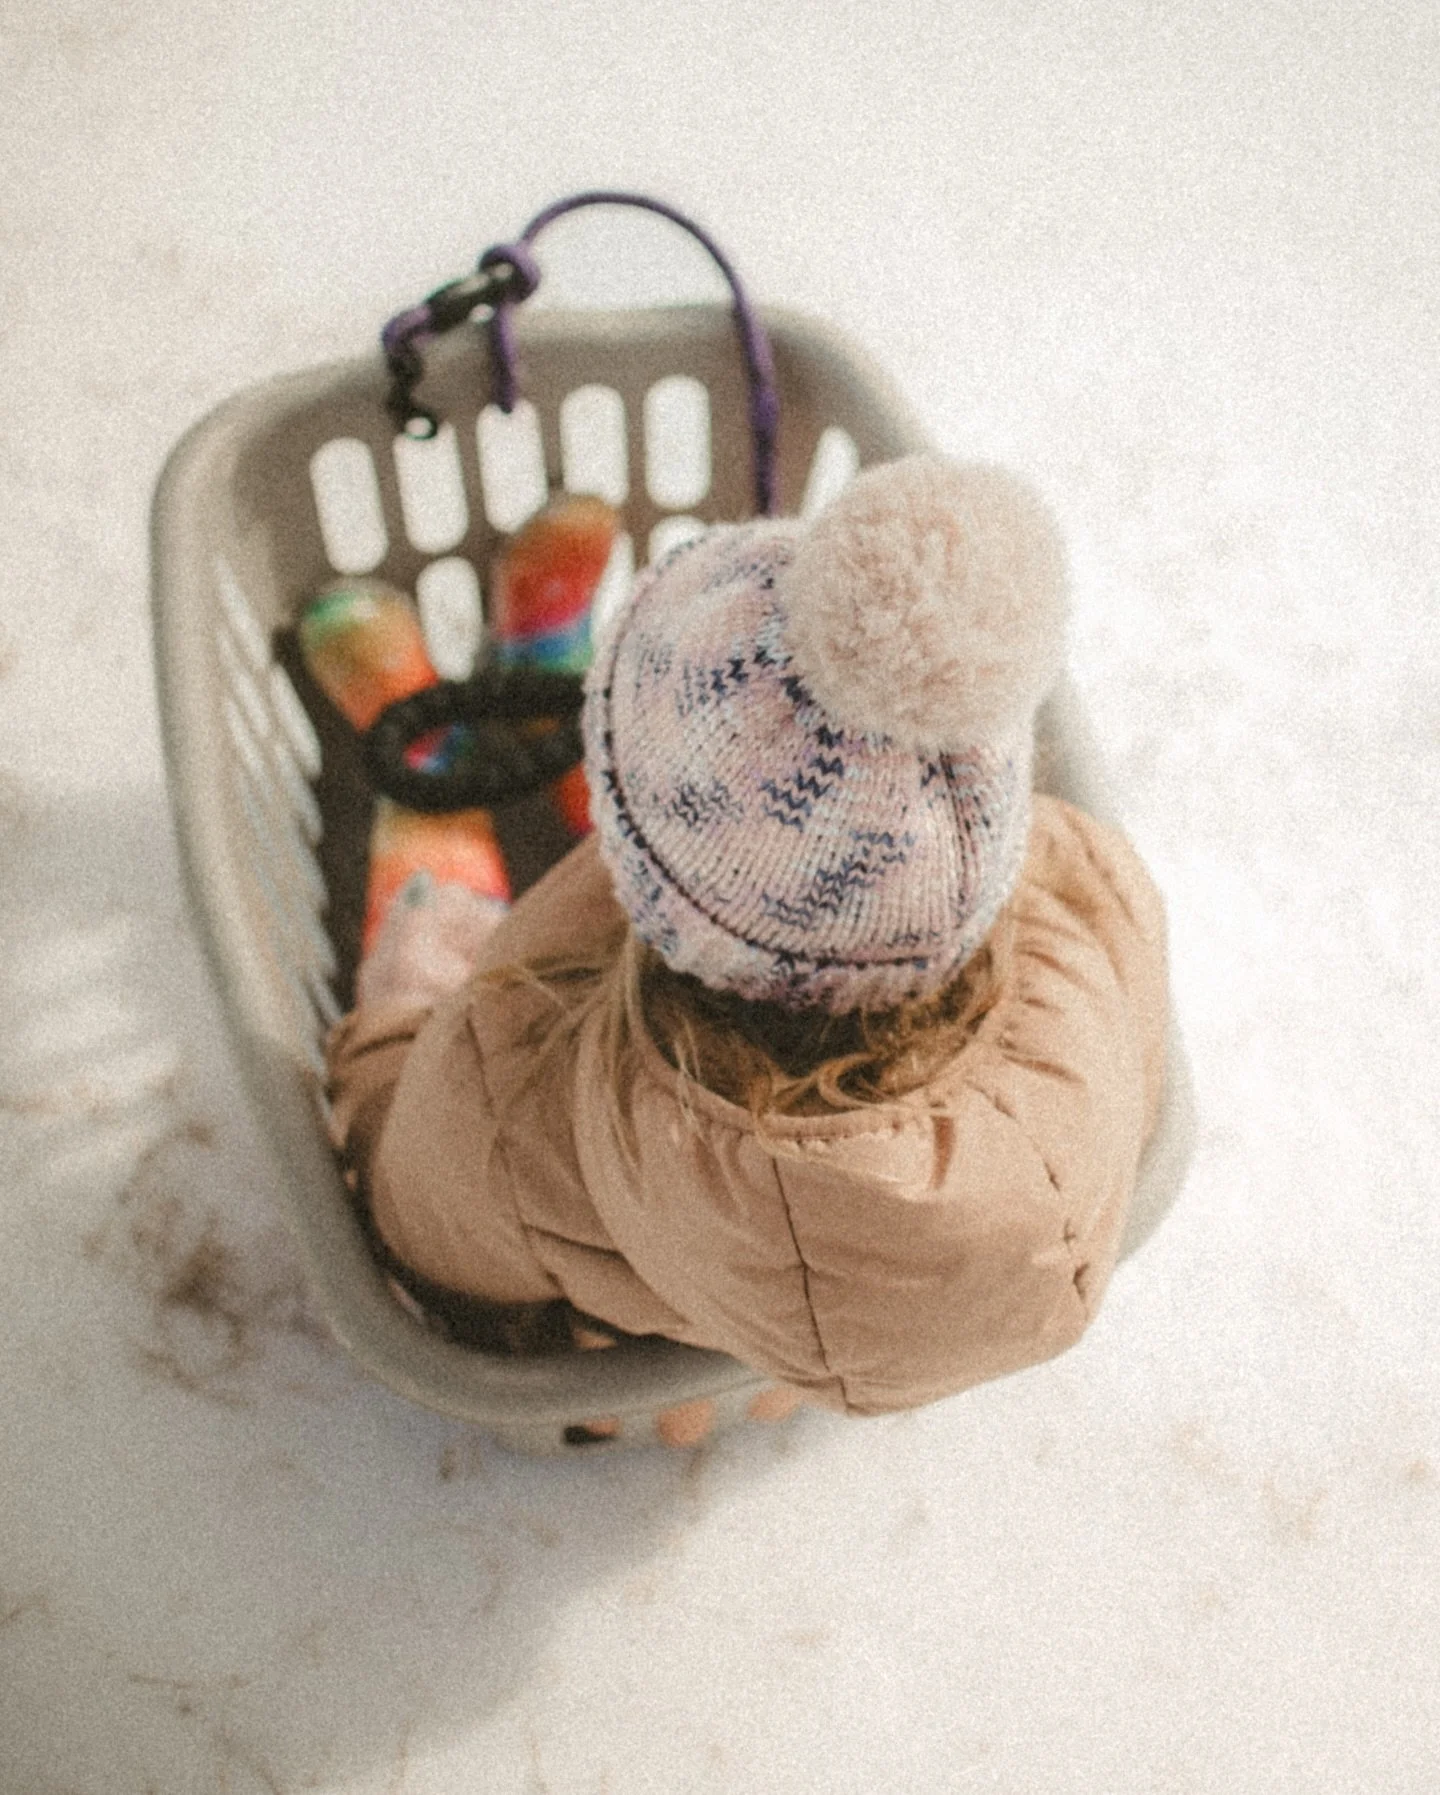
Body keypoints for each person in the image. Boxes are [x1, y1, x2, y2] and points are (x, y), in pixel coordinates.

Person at [323, 454, 1170, 1419]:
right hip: (758, 1349)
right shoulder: (1090, 894)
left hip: (620, 1334)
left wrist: (392, 1040)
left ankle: (441, 812)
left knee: (430, 932)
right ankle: (549, 711)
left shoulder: (507, 1088)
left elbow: (417, 1228)